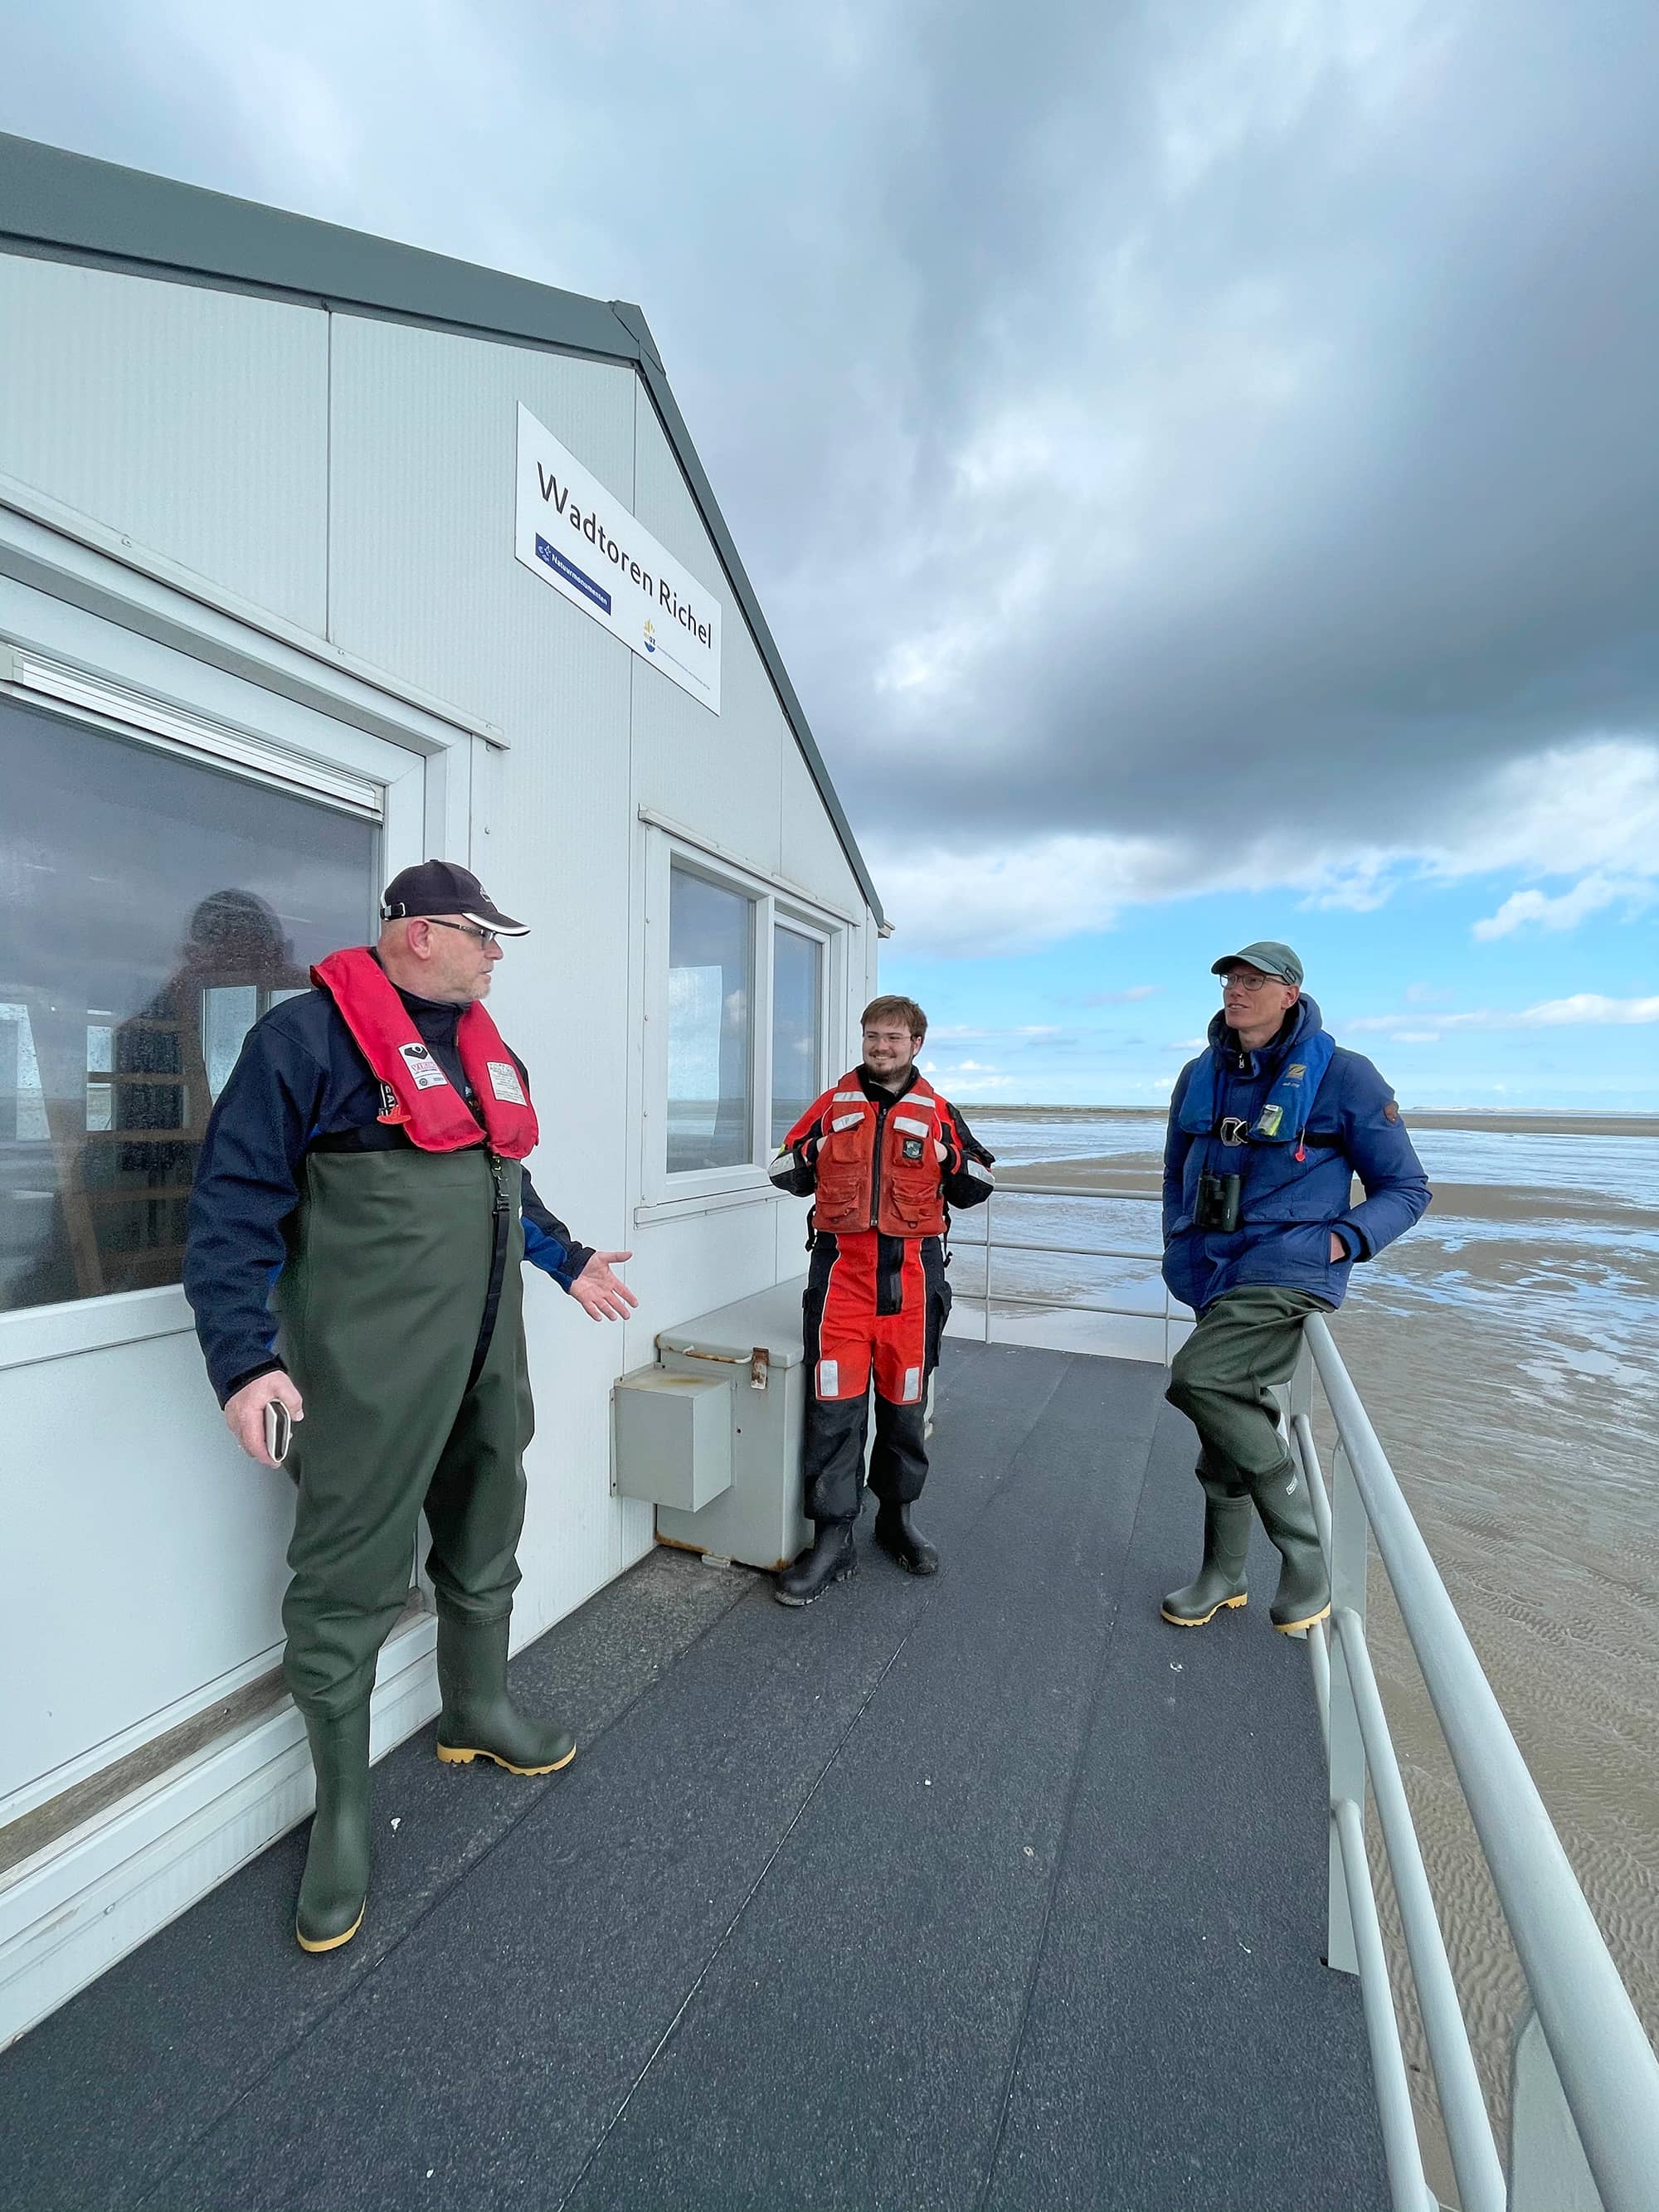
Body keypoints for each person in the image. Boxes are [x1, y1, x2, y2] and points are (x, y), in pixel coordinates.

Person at [183, 860, 636, 1953]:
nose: (495, 954)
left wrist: (564, 1256)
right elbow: (233, 1205)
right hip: (368, 1375)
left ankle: (475, 1709)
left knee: (488, 1526)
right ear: (416, 932)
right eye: (483, 935)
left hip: (489, 1357)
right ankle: (340, 1815)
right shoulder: (305, 1043)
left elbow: (501, 1180)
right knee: (346, 1578)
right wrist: (246, 1362)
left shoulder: (486, 1048)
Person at [1160, 941, 1429, 1633]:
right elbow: (1174, 1173)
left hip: (1289, 1266)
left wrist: (1344, 1239)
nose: (1237, 992)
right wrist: (1176, 1238)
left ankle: (1306, 1551)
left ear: (1291, 993)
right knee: (1227, 1417)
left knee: (1199, 1377)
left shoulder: (1345, 1075)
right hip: (1212, 1268)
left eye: (1255, 981)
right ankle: (1223, 1574)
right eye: (1230, 980)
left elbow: (1406, 1186)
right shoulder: (1199, 1074)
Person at [767, 995, 995, 1605]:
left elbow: (981, 1184)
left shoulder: (939, 1111)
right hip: (840, 1285)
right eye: (872, 1036)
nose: (881, 1047)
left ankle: (897, 1520)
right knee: (833, 1414)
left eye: (893, 1037)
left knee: (904, 1411)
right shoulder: (833, 1104)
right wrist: (818, 1149)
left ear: (916, 1044)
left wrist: (949, 1157)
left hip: (913, 1288)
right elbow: (781, 1170)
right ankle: (832, 1538)